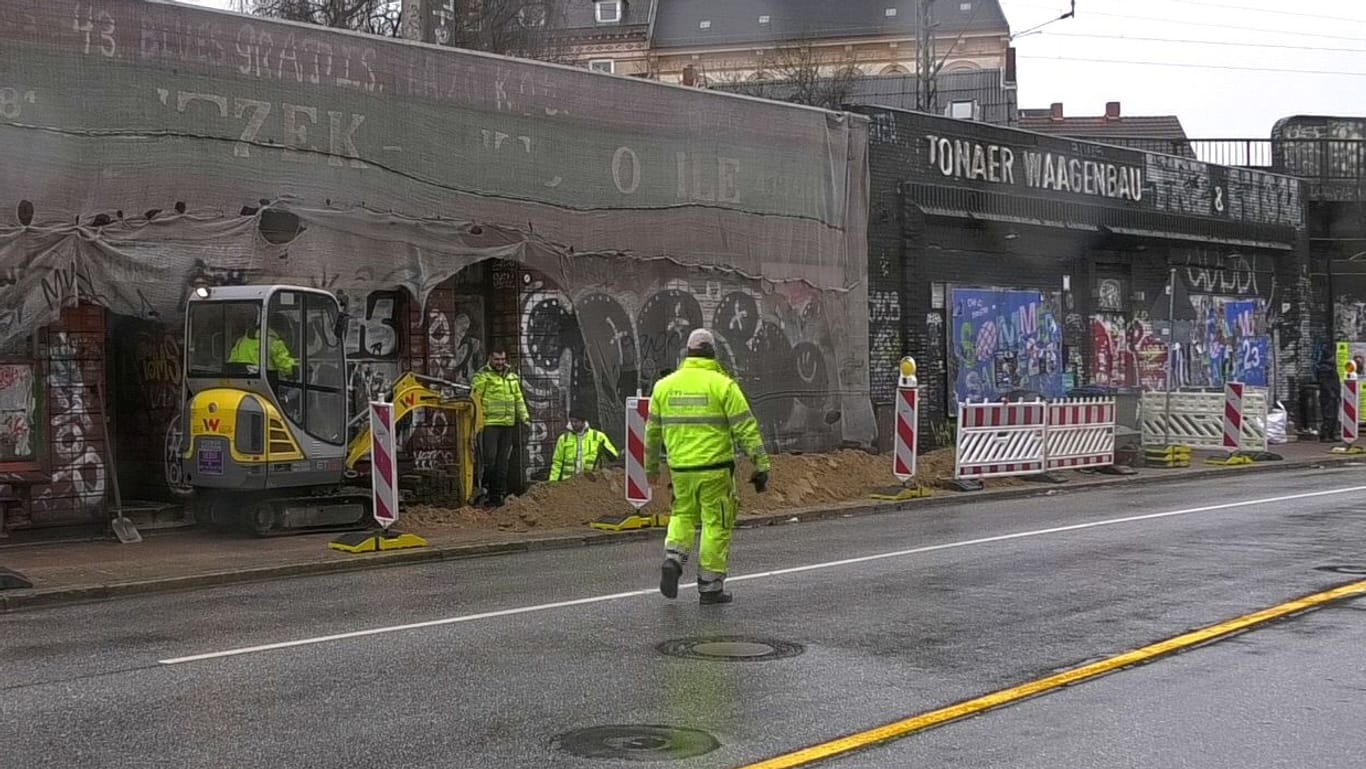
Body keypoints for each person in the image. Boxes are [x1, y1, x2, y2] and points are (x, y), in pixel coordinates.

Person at [646, 328, 770, 605]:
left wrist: (651, 469)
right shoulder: (723, 385)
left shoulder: (663, 387)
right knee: (716, 523)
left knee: (683, 514)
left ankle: (673, 558)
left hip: (680, 470)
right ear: (713, 353)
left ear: (687, 353)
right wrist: (761, 464)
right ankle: (710, 586)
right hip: (716, 469)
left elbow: (652, 433)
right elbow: (746, 428)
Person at [473, 349, 530, 507]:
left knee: (502, 463)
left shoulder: (512, 378)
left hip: (508, 425)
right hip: (490, 425)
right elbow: (475, 398)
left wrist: (524, 418)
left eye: (502, 359)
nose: (500, 362)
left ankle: (497, 496)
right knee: (490, 460)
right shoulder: (483, 376)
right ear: (490, 358)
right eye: (497, 359)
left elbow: (518, 399)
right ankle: (485, 489)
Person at [549, 411, 618, 482]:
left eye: (576, 421)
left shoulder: (598, 437)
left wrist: (606, 450)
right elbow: (557, 462)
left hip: (590, 483)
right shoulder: (564, 438)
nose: (573, 424)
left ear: (583, 421)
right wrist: (553, 481)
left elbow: (613, 456)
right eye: (571, 421)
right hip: (568, 483)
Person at [228, 314, 297, 377]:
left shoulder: (241, 341)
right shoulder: (274, 343)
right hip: (267, 383)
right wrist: (295, 369)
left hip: (244, 381)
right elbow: (285, 365)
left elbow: (232, 362)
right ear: (280, 329)